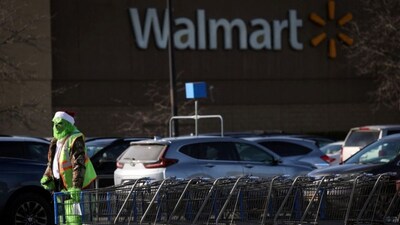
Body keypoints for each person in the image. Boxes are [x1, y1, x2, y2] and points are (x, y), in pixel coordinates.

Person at [40, 111, 97, 225]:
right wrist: (48, 176)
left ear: (68, 124)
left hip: (77, 187)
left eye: (59, 123)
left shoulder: (75, 139)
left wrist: (76, 187)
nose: (56, 127)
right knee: (63, 219)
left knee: (75, 219)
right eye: (54, 123)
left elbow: (78, 164)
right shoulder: (56, 141)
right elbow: (53, 162)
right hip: (61, 186)